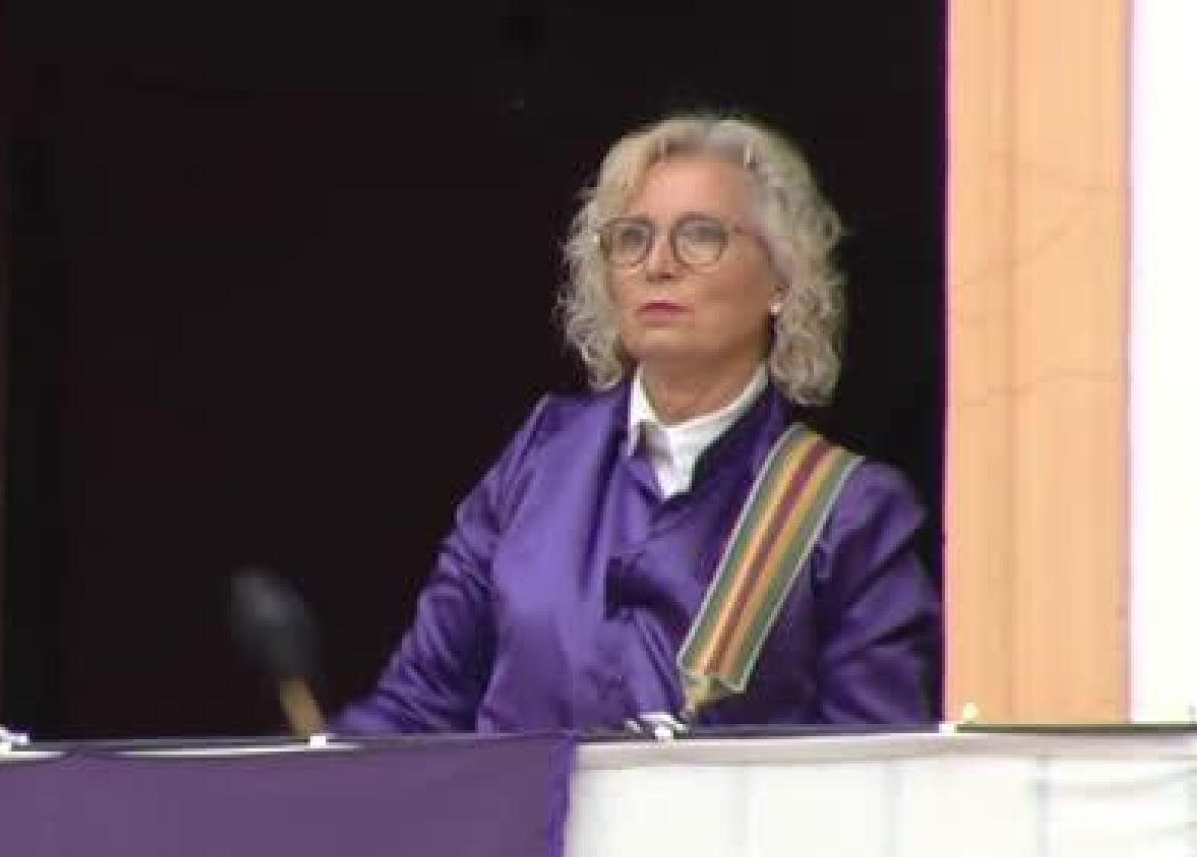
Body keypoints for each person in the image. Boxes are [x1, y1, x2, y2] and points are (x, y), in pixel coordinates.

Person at [333, 112, 940, 735]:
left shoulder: (849, 511)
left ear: (782, 280)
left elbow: (877, 767)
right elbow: (421, 705)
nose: (658, 264)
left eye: (700, 235)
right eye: (632, 238)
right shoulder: (540, 455)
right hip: (522, 804)